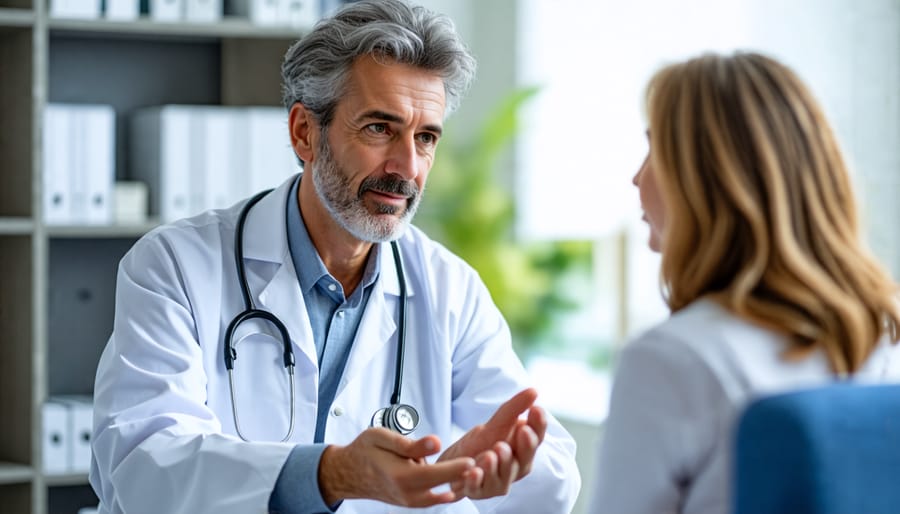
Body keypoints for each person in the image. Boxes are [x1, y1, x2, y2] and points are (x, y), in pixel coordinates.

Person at [89, 1, 580, 513]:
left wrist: (480, 470)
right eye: (379, 128)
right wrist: (330, 474)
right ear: (304, 132)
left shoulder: (447, 288)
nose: (407, 167)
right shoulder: (174, 266)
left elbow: (552, 471)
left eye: (426, 136)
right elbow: (141, 462)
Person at [588, 51, 900, 514]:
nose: (637, 177)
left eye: (655, 148)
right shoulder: (883, 332)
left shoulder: (670, 361)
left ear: (705, 177)